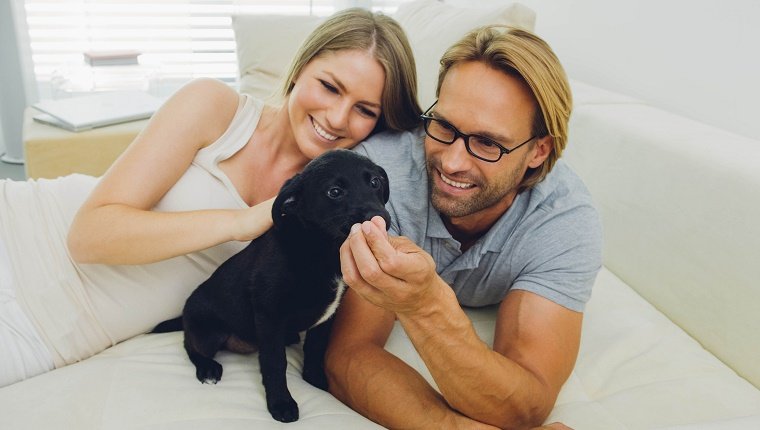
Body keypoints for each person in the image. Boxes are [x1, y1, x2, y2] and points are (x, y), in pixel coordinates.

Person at [0, 8, 421, 388]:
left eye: (365, 110)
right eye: (329, 87)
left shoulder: (334, 205)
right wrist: (243, 220)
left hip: (51, 329)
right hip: (21, 230)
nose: (336, 117)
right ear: (300, 68)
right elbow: (88, 236)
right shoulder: (215, 107)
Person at [327, 25, 603, 429]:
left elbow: (525, 405)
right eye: (444, 126)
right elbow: (347, 356)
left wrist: (426, 305)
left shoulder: (563, 221)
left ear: (537, 151)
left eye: (488, 143)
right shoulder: (378, 179)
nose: (453, 162)